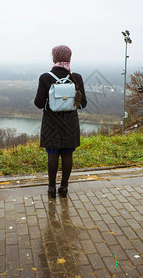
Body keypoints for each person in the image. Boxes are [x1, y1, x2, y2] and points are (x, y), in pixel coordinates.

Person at [34, 45, 87, 198]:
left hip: (51, 123)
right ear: (69, 58)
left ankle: (51, 188)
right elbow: (83, 103)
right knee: (67, 155)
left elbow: (38, 103)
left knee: (52, 154)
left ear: (54, 58)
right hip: (70, 123)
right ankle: (64, 188)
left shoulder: (45, 77)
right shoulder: (76, 77)